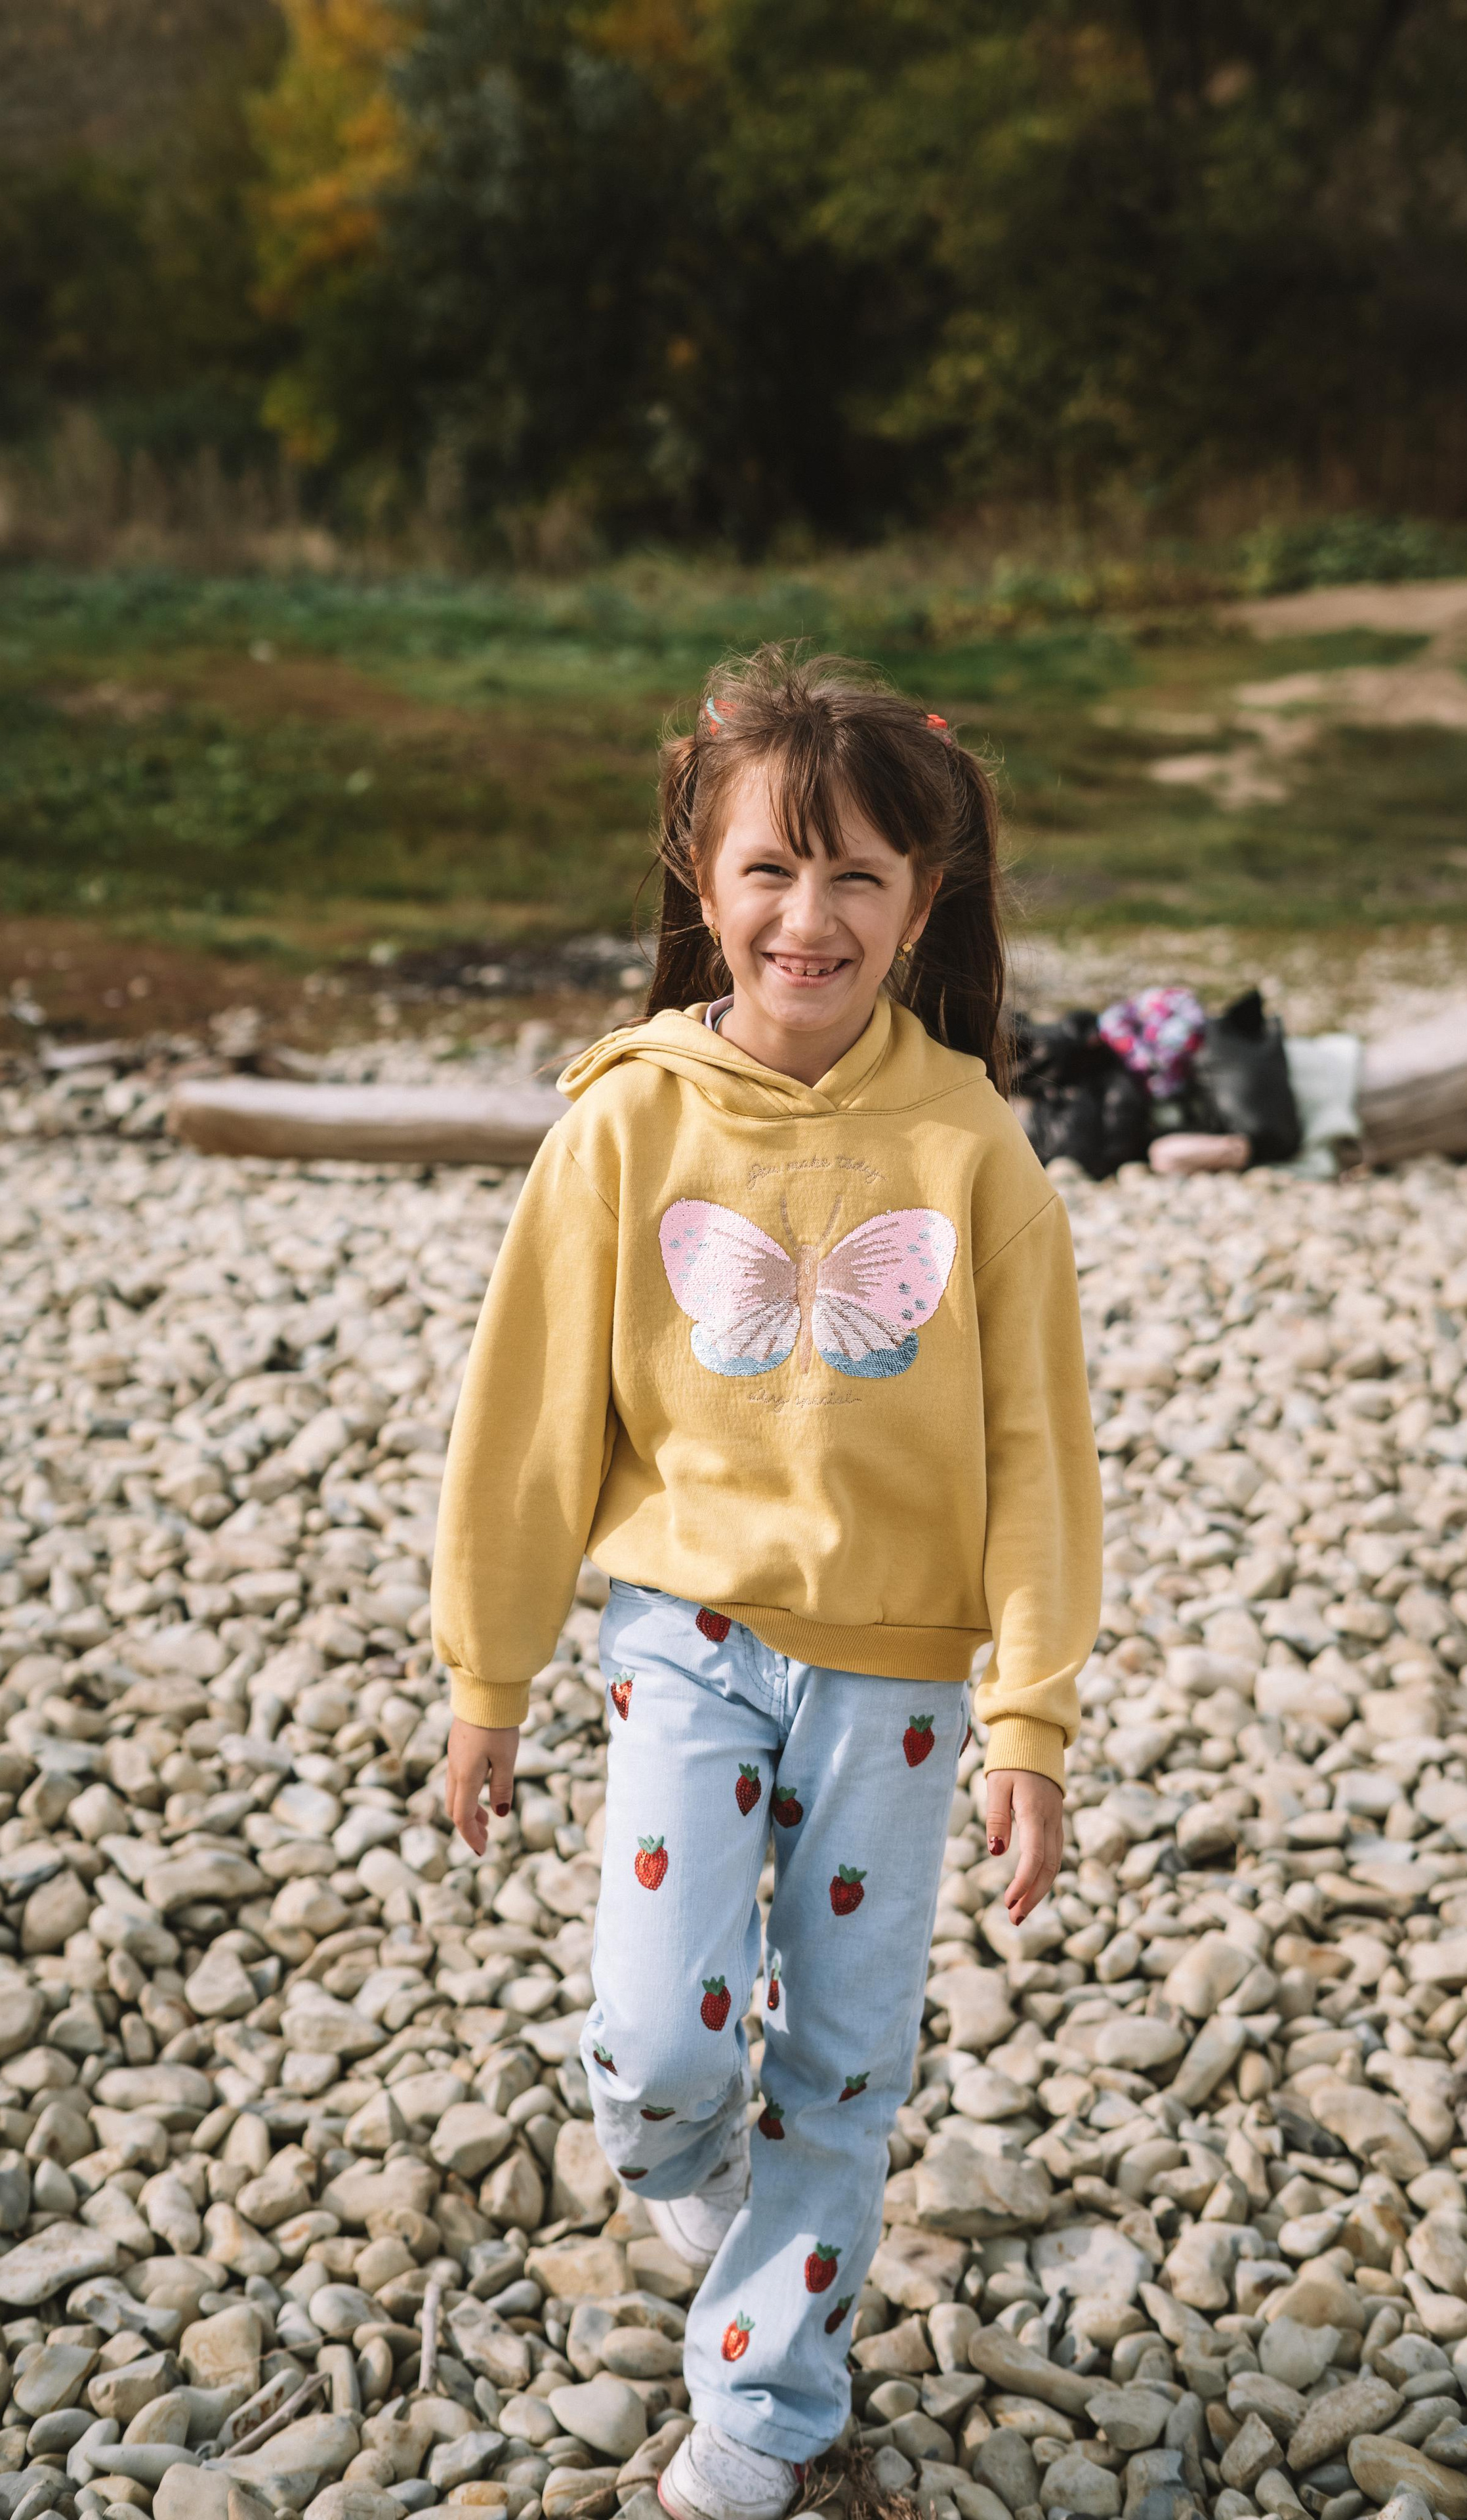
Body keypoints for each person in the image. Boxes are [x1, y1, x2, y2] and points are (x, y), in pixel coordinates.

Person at [433, 647, 1102, 2520]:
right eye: (769, 873)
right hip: (686, 1649)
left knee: (844, 2066)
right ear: (700, 880)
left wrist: (1029, 1721)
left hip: (900, 1689)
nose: (809, 919)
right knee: (655, 2049)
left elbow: (1042, 1456)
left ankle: (767, 2413)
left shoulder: (977, 1152)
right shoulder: (622, 1129)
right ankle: (712, 2201)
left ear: (923, 902)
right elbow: (527, 1430)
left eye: (858, 879)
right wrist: (488, 1681)